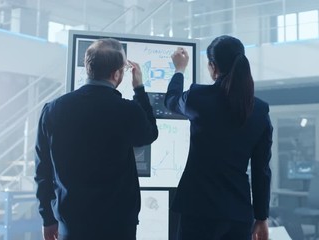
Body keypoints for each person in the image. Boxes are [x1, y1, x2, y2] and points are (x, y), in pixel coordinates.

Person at [35, 38, 158, 240]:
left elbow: (43, 169)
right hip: (118, 223)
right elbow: (150, 133)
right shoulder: (127, 111)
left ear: (88, 67)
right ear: (117, 73)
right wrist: (139, 89)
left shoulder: (53, 110)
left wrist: (47, 218)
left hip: (72, 222)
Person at [165, 35, 273, 240]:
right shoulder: (259, 110)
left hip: (198, 210)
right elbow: (262, 170)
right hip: (237, 213)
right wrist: (261, 218)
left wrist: (179, 70)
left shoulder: (198, 98)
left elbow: (171, 100)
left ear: (212, 67)